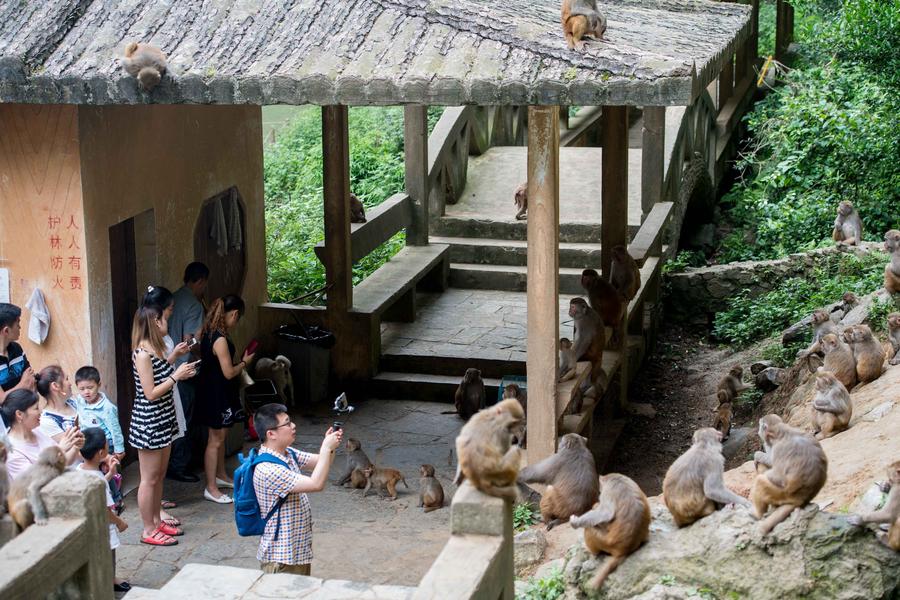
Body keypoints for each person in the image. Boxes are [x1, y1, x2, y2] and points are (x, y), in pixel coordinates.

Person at [130, 304, 197, 546]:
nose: (168, 321)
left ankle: (157, 521)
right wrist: (176, 376)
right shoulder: (142, 354)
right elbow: (150, 393)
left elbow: (160, 374)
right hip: (149, 421)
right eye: (165, 318)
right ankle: (148, 529)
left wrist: (174, 359)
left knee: (159, 476)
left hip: (164, 418)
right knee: (148, 479)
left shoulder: (156, 348)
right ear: (156, 322)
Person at [252, 403, 342, 575]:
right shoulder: (268, 469)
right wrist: (326, 447)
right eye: (287, 423)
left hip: (297, 551)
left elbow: (322, 461)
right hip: (281, 557)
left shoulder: (287, 452)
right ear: (271, 434)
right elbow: (316, 484)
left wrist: (330, 447)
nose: (293, 426)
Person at [197, 295, 255, 503]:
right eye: (238, 318)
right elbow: (229, 372)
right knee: (215, 440)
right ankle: (211, 488)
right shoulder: (220, 339)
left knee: (220, 438)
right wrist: (245, 363)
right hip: (217, 394)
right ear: (235, 314)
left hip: (214, 391)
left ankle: (220, 475)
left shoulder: (208, 332)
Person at [165, 262, 209, 483]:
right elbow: (190, 340)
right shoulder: (194, 305)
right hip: (184, 370)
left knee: (171, 419)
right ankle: (179, 466)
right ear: (200, 281)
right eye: (204, 283)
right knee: (184, 420)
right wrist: (205, 355)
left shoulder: (172, 299)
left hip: (166, 368)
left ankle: (169, 462)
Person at [76, 427, 131, 593]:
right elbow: (104, 509)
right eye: (107, 446)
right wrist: (119, 522)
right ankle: (108, 581)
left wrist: (110, 474)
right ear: (101, 453)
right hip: (102, 527)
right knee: (109, 554)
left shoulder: (79, 470)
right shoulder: (98, 482)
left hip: (87, 524)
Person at [4, 389, 83, 480]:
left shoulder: (37, 430)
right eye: (36, 408)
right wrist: (59, 449)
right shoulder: (11, 451)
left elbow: (62, 463)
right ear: (19, 414)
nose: (41, 411)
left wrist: (75, 447)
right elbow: (34, 480)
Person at [74, 366, 125, 461]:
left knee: (106, 467)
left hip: (104, 445)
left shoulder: (106, 408)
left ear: (99, 385)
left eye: (90, 388)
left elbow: (115, 430)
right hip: (87, 443)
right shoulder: (80, 400)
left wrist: (119, 450)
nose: (86, 392)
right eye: (82, 389)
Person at [0, 303, 35, 434]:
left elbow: (31, 382)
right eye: (17, 323)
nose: (20, 327)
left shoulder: (17, 349)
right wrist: (22, 384)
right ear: (6, 331)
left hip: (23, 415)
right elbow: (2, 400)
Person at [36, 365, 79, 442]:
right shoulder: (47, 421)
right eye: (66, 379)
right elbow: (74, 444)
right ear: (55, 386)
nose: (70, 384)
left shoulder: (73, 402)